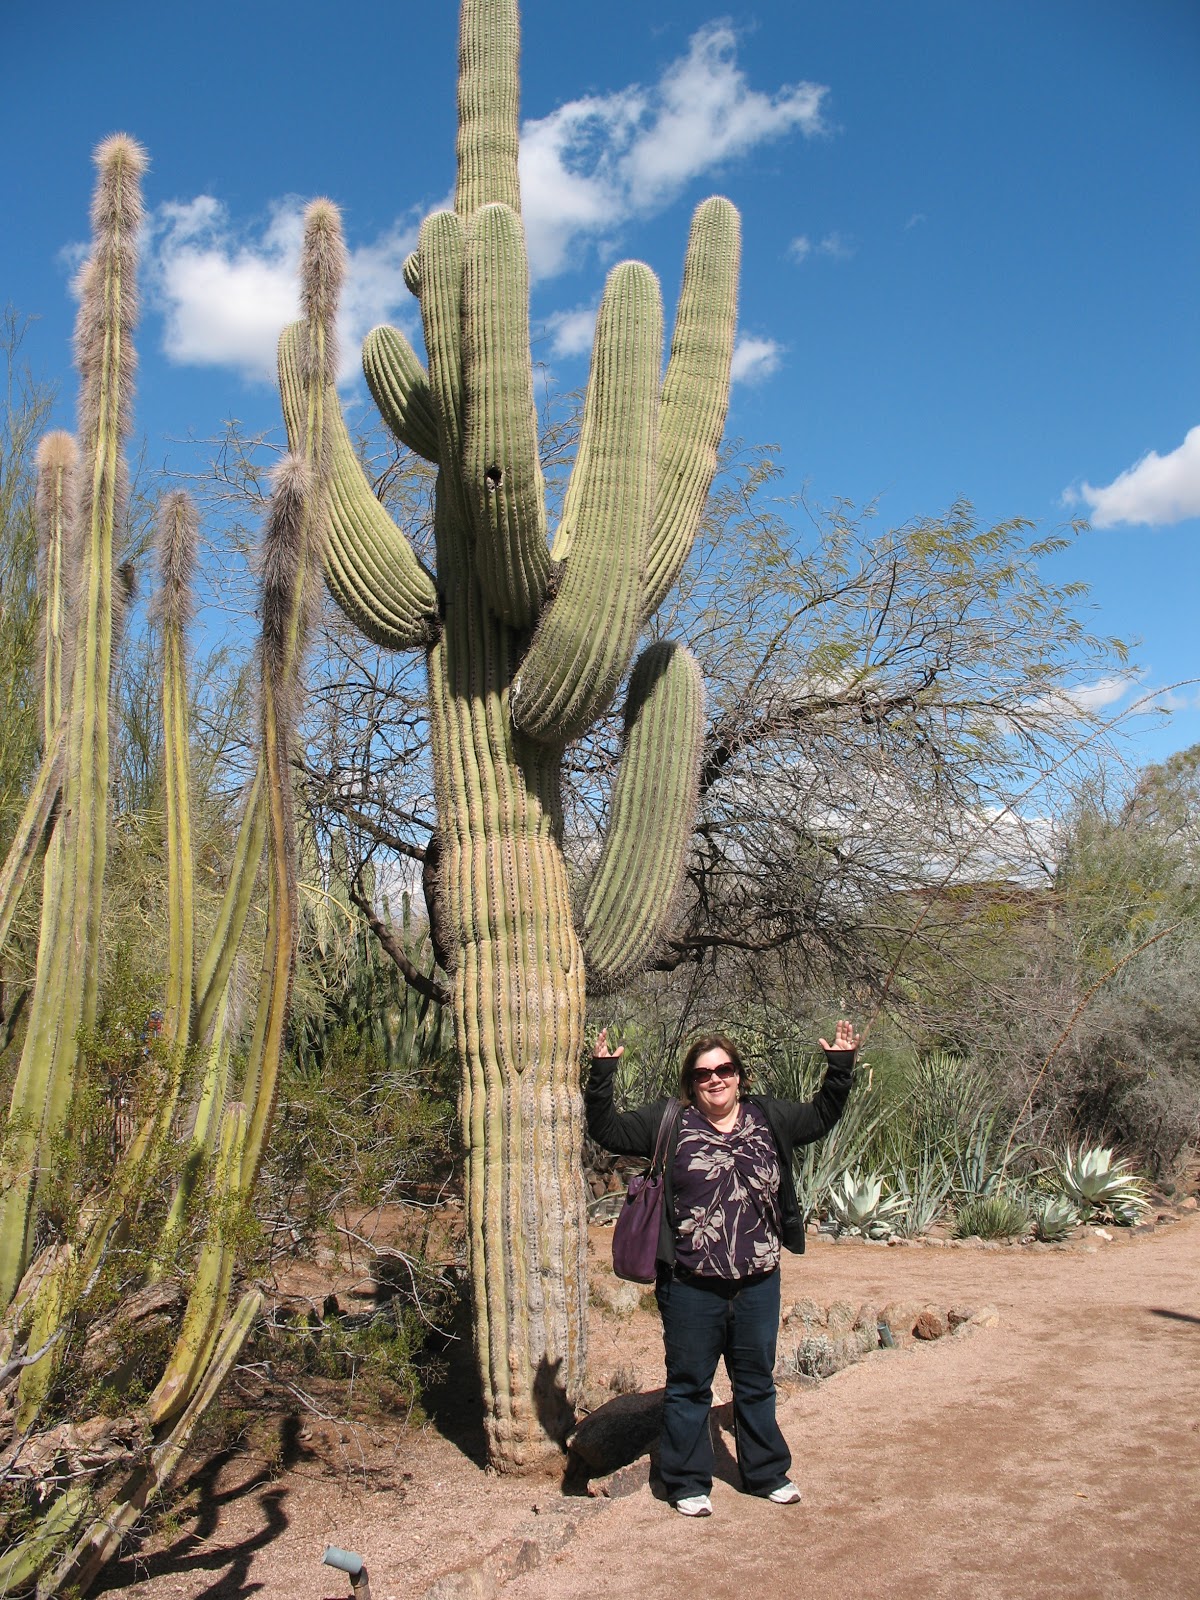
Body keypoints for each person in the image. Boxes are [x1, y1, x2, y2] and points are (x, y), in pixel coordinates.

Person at [586, 1020, 859, 1517]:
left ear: (740, 1076)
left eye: (725, 1069)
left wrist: (839, 1068)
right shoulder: (669, 1121)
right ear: (691, 1083)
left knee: (755, 1381)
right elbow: (605, 1129)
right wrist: (602, 1075)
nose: (716, 1079)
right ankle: (688, 1481)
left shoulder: (768, 1116)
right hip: (691, 1286)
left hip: (757, 1282)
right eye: (704, 1073)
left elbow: (822, 1116)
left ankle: (766, 1473)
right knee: (690, 1384)